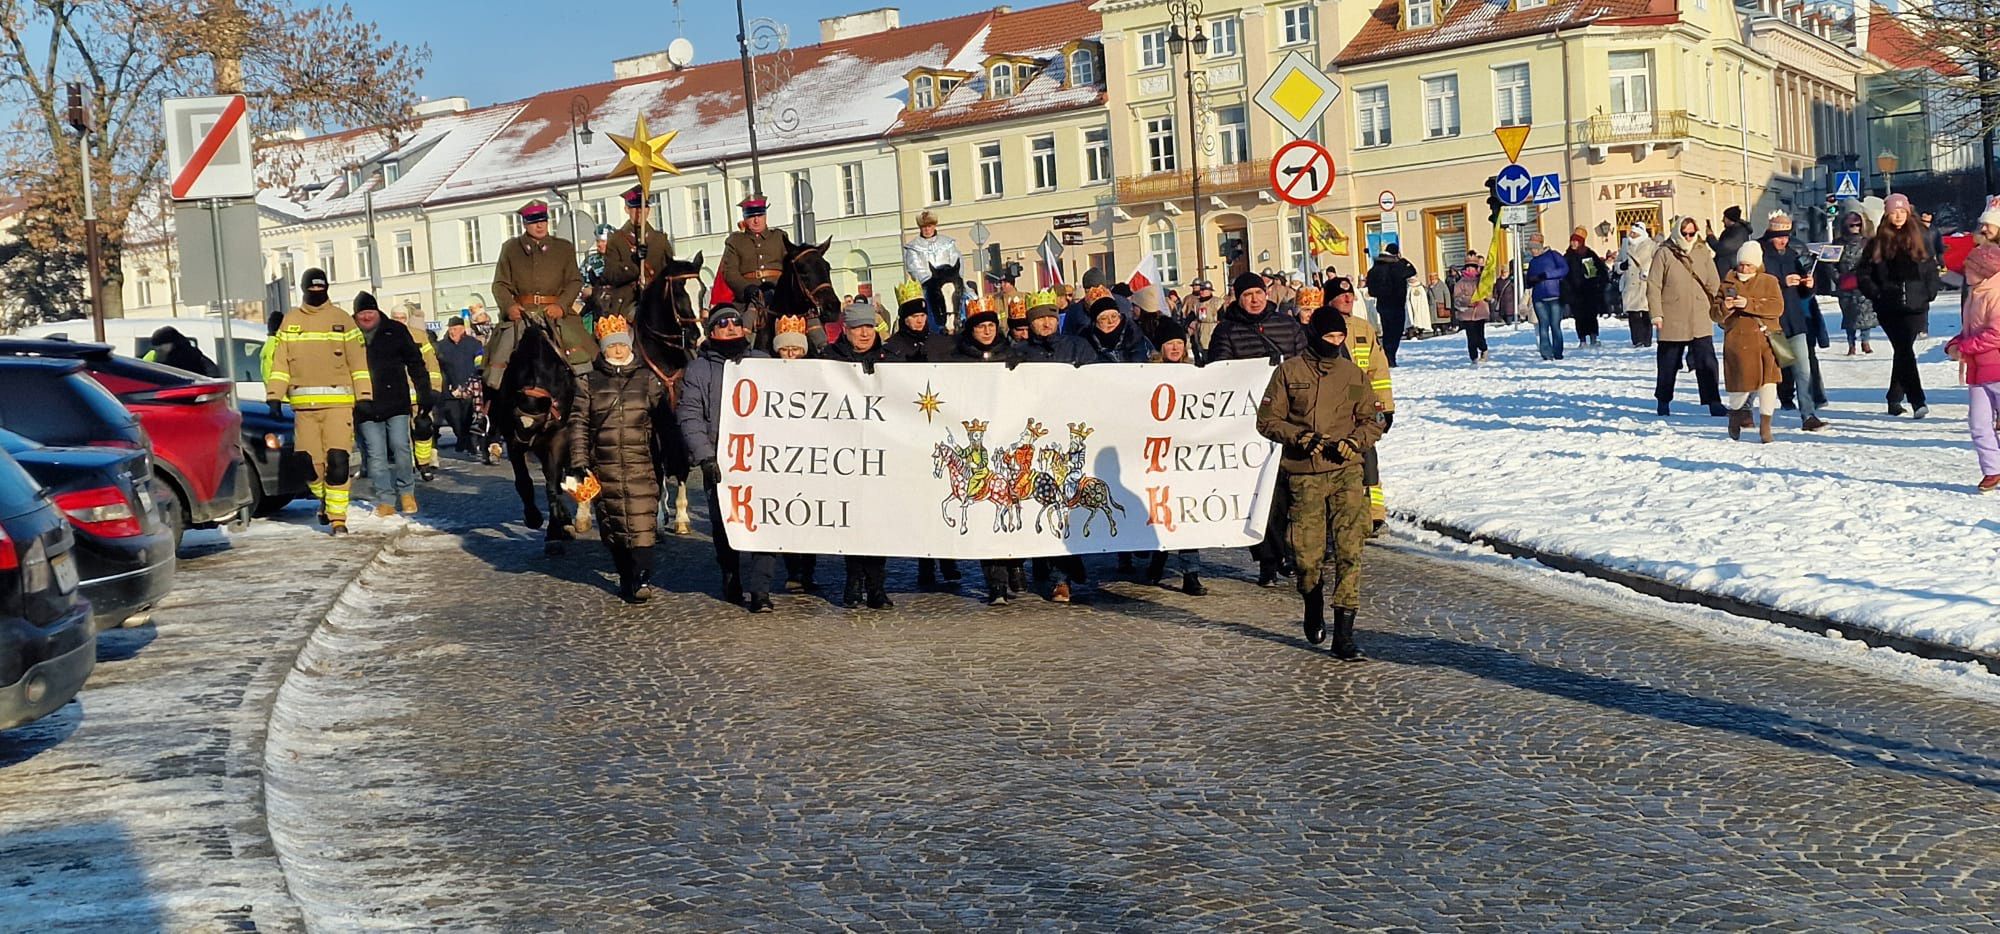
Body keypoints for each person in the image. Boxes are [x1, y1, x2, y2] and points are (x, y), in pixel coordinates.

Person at [1256, 305, 1384, 660]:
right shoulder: (1289, 372)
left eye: (1339, 337)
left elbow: (1372, 420)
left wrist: (1355, 442)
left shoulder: (1354, 376)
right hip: (1304, 474)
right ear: (1315, 336)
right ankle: (1312, 599)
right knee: (1307, 557)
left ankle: (1344, 635)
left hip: (1346, 471)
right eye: (1329, 337)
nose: (1335, 343)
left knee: (1349, 550)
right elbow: (1267, 420)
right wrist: (1299, 437)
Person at [1207, 271, 1308, 586]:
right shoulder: (1226, 331)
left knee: (1287, 493)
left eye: (1259, 293)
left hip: (1288, 419)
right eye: (1247, 295)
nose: (1254, 299)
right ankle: (1267, 558)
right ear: (1238, 298)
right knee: (1258, 493)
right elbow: (1219, 373)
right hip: (1246, 424)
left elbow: (1304, 363)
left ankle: (1289, 552)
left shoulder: (1287, 325)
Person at [678, 305, 779, 612]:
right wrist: (705, 457)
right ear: (712, 332)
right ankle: (731, 574)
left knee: (765, 521)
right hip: (721, 458)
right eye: (724, 324)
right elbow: (690, 415)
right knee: (726, 524)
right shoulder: (698, 369)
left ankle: (761, 590)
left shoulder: (763, 362)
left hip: (763, 458)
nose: (733, 328)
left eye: (736, 323)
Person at [565, 316, 666, 603]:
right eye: (613, 346)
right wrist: (579, 460)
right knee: (614, 526)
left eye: (622, 345)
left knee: (643, 523)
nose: (618, 350)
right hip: (603, 464)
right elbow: (578, 424)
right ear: (603, 348)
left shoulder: (647, 379)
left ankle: (643, 577)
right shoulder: (588, 381)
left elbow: (663, 423)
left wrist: (671, 454)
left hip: (641, 463)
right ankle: (626, 575)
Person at [266, 269, 373, 534]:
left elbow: (358, 362)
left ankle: (338, 519)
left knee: (338, 461)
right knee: (307, 464)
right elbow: (279, 363)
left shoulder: (342, 320)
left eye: (321, 288)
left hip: (339, 404)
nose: (317, 293)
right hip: (304, 407)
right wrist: (274, 396)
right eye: (311, 289)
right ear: (303, 289)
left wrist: (365, 395)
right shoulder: (290, 322)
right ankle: (324, 498)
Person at [820, 302, 895, 609]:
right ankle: (853, 582)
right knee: (850, 521)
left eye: (869, 327)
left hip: (882, 452)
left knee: (878, 522)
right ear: (846, 331)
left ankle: (877, 586)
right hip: (845, 453)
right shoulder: (828, 360)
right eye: (858, 328)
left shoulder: (889, 361)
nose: (865, 334)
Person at [948, 302, 1019, 605]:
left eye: (991, 325)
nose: (987, 331)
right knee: (984, 514)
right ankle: (996, 584)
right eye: (980, 326)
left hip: (1007, 439)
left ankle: (1016, 565)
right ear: (972, 330)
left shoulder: (1015, 356)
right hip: (979, 447)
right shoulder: (957, 360)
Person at [352, 291, 434, 516]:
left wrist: (424, 391)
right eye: (362, 314)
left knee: (400, 447)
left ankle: (407, 492)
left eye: (370, 312)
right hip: (365, 404)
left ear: (377, 311)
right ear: (356, 315)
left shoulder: (396, 331)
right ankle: (385, 499)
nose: (366, 317)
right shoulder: (349, 334)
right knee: (376, 454)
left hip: (396, 400)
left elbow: (415, 363)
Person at [1858, 193, 1939, 418]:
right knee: (1904, 350)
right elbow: (1863, 274)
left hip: (1916, 305)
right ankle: (1917, 400)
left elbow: (1930, 268)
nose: (1898, 216)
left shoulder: (1920, 236)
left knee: (1903, 351)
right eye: (1894, 212)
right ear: (1887, 214)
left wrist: (1929, 292)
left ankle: (1894, 398)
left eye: (1902, 211)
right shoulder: (1877, 241)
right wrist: (1877, 294)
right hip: (1889, 307)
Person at [493, 200, 594, 372]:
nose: (540, 226)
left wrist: (561, 306)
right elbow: (500, 284)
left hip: (556, 313)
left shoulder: (563, 248)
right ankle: (494, 392)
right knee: (499, 358)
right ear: (525, 224)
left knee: (583, 355)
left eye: (543, 220)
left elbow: (574, 281)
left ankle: (584, 392)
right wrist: (509, 307)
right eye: (534, 222)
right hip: (523, 313)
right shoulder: (511, 249)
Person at [1328, 277, 1395, 531]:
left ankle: (1375, 515)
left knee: (1369, 461)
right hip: (1333, 407)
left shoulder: (1362, 328)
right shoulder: (1321, 326)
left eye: (1350, 295)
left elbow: (1378, 371)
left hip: (1362, 406)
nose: (1348, 299)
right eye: (1342, 296)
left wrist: (1385, 407)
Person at [1144, 328, 1206, 595]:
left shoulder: (1195, 373)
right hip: (1157, 453)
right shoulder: (1147, 374)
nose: (1175, 348)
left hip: (1184, 453)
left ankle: (1190, 573)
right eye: (1170, 342)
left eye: (1179, 343)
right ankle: (1157, 561)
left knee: (1185, 512)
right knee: (1162, 510)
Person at [1648, 216, 1728, 417]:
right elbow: (1654, 285)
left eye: (1692, 233)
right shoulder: (1664, 252)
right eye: (1685, 233)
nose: (1689, 237)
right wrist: (1656, 314)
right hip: (1672, 315)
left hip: (1700, 314)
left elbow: (1713, 282)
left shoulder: (1702, 252)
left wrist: (1719, 307)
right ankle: (1663, 400)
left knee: (1707, 361)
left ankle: (1713, 401)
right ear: (1677, 232)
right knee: (1669, 362)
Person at [1760, 213, 1826, 431]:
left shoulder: (1791, 255)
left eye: (1786, 236)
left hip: (1795, 321)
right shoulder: (1760, 255)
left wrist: (1808, 285)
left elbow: (1803, 294)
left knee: (1803, 370)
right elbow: (1757, 288)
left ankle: (1808, 415)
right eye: (1779, 236)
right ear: (1770, 234)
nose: (1783, 240)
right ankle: (1744, 409)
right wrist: (1782, 283)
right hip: (1773, 323)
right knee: (1771, 369)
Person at [1945, 243, 2000, 491]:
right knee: (1978, 423)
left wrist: (1965, 347)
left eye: (1970, 268)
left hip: (1996, 368)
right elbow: (1971, 330)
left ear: (1984, 270)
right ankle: (1992, 469)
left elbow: (1996, 334)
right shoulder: (1975, 293)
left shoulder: (1995, 294)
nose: (1965, 272)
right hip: (1977, 371)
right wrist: (1955, 343)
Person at [1719, 241, 1786, 444]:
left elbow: (1777, 307)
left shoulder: (1769, 281)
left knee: (1769, 384)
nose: (1745, 268)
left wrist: (1749, 304)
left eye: (1749, 264)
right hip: (1738, 342)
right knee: (1740, 388)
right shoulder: (1727, 283)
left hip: (1766, 341)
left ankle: (1766, 428)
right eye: (1742, 264)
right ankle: (1735, 414)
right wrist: (1726, 306)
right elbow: (1714, 314)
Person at [600, 185, 675, 321]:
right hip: (629, 302)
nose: (639, 212)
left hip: (659, 298)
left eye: (643, 207)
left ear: (648, 210)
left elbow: (669, 271)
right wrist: (634, 266)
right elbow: (609, 274)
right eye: (634, 208)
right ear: (627, 209)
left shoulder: (660, 239)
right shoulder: (616, 239)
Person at [719, 198, 788, 329]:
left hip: (779, 291)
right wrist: (746, 289)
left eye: (760, 215)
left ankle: (822, 345)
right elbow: (730, 272)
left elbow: (790, 266)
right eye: (751, 217)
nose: (756, 220)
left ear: (765, 216)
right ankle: (745, 344)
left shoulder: (779, 237)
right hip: (750, 297)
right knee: (746, 322)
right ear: (745, 218)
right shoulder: (735, 241)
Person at [902, 210, 965, 329]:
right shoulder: (913, 247)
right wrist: (930, 280)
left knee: (968, 297)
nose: (927, 229)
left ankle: (963, 320)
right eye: (924, 227)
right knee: (917, 306)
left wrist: (951, 276)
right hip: (929, 283)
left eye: (929, 226)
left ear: (934, 226)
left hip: (949, 279)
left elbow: (957, 260)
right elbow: (914, 268)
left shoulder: (947, 242)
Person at [434, 317, 483, 453]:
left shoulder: (473, 344)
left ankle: (467, 444)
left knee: (468, 418)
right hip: (450, 390)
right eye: (450, 329)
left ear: (462, 329)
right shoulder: (441, 346)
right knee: (454, 419)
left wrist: (474, 381)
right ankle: (463, 440)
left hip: (469, 388)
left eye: (455, 329)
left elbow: (479, 362)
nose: (452, 332)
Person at [1831, 210, 1877, 354]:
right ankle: (1851, 344)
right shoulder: (1838, 243)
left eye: (1857, 225)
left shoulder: (1867, 242)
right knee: (1849, 315)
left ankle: (1865, 341)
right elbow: (1829, 263)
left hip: (1863, 282)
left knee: (1866, 313)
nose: (1855, 228)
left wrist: (1870, 276)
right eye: (1851, 225)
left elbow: (1874, 261)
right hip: (1845, 284)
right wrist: (1837, 277)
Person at [1363, 242, 1415, 363]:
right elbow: (1411, 271)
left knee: (1387, 330)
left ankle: (1388, 355)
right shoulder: (1397, 266)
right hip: (1396, 303)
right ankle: (1390, 355)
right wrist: (1402, 260)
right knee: (1396, 331)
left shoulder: (1375, 267)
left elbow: (1371, 287)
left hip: (1382, 304)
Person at [1525, 233, 1570, 360]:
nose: (1532, 251)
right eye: (1530, 249)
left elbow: (1564, 269)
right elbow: (1528, 281)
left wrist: (1546, 275)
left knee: (1555, 325)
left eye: (1533, 248)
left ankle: (1558, 352)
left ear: (1540, 247)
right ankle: (1546, 353)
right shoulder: (1533, 262)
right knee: (1543, 325)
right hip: (1539, 297)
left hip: (1555, 296)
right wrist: (1531, 280)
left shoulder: (1553, 255)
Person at [1562, 228, 1608, 346]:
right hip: (1575, 293)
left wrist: (1598, 284)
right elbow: (1564, 274)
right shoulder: (1567, 256)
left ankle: (1593, 336)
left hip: (1590, 291)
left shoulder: (1589, 254)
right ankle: (1582, 339)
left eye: (1576, 241)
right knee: (1579, 317)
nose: (1573, 243)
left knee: (1591, 315)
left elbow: (1601, 271)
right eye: (1572, 241)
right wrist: (1567, 289)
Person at [1079, 294, 1154, 363]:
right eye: (1104, 318)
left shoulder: (1137, 338)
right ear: (1095, 322)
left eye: (1114, 316)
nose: (1111, 321)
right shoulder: (1084, 342)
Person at [1619, 224, 1657, 347]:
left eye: (1635, 233)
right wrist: (1621, 266)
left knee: (1646, 312)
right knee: (1633, 313)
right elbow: (1617, 262)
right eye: (1631, 232)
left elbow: (1658, 261)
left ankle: (1647, 339)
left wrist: (1649, 271)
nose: (1632, 235)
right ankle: (1637, 340)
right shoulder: (1625, 245)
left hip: (1644, 282)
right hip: (1631, 284)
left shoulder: (1651, 246)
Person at [1451, 263, 1490, 364]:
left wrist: (1485, 296)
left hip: (1480, 312)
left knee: (1479, 335)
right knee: (1471, 337)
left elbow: (1488, 295)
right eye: (1468, 267)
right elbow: (1457, 298)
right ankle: (1473, 357)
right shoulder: (1460, 283)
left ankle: (1483, 349)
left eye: (1472, 267)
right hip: (1467, 313)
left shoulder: (1481, 281)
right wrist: (1469, 301)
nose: (1470, 269)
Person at [1708, 206, 1753, 279]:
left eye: (1724, 218)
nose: (1723, 220)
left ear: (1729, 219)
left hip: (1729, 271)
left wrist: (1710, 237)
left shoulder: (1738, 232)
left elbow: (1722, 248)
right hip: (1727, 269)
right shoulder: (1734, 231)